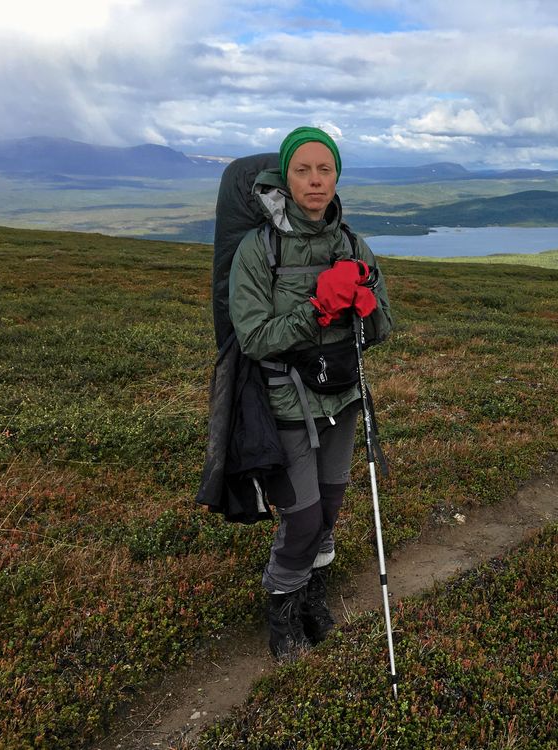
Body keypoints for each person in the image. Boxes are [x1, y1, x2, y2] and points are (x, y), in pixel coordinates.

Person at [228, 126, 393, 658]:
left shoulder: (352, 245)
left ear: (337, 176)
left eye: (325, 169)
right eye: (303, 170)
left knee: (330, 509)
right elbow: (254, 338)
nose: (315, 180)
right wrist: (318, 308)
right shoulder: (259, 250)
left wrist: (366, 304)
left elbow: (383, 328)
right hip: (286, 400)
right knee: (302, 518)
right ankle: (282, 607)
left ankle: (311, 598)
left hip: (342, 397)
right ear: (285, 177)